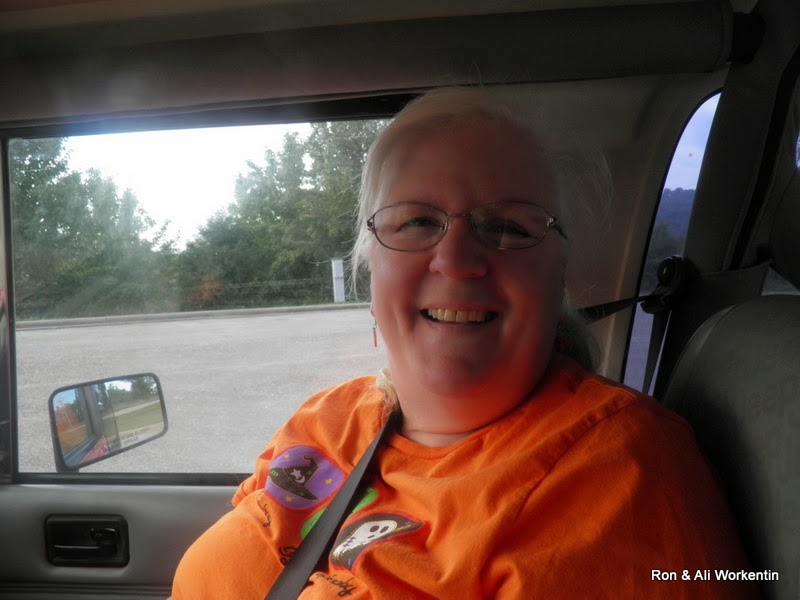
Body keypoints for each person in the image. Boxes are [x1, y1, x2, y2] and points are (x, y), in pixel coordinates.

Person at [171, 88, 758, 599]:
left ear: (559, 278)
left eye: (507, 226)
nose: (455, 259)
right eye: (417, 222)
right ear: (370, 271)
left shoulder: (618, 474)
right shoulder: (326, 420)